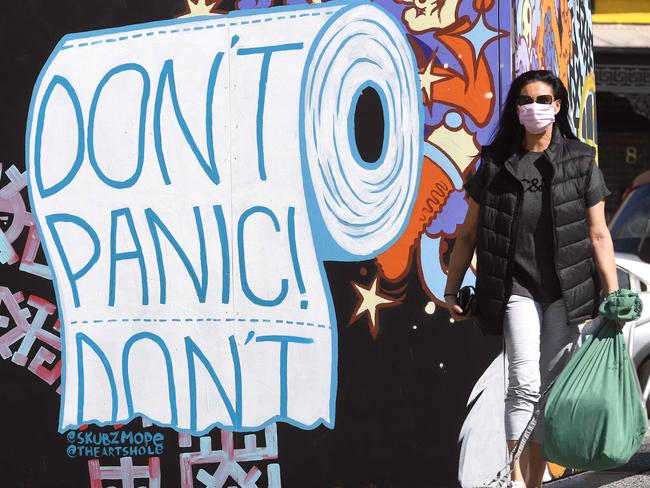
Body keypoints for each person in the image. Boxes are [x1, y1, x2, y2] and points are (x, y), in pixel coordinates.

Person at [443, 70, 617, 488]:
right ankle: (518, 482)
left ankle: (532, 483)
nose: (533, 107)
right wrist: (451, 289)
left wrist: (613, 292)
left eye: (543, 100)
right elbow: (467, 233)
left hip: (565, 291)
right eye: (525, 100)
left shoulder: (580, 160)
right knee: (523, 381)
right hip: (515, 288)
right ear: (515, 108)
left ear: (557, 106)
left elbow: (598, 232)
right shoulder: (495, 163)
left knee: (549, 391)